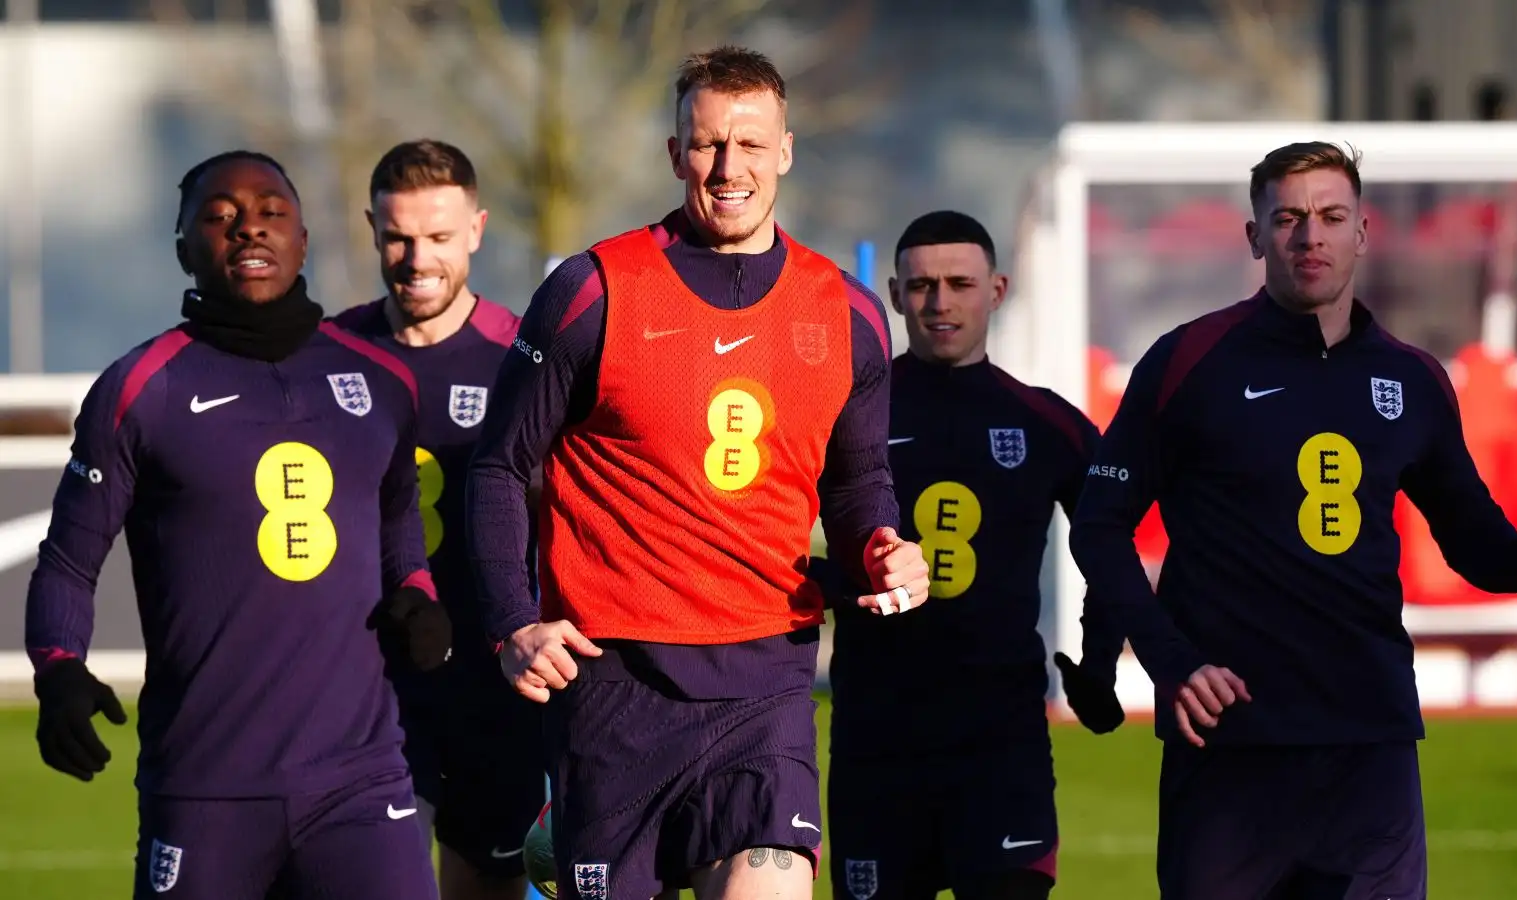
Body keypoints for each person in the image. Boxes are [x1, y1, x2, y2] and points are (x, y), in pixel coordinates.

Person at [465, 45, 932, 900]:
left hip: (767, 686)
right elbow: (499, 466)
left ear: (785, 150)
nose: (728, 167)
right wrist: (511, 623)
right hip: (612, 689)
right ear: (676, 152)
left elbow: (858, 482)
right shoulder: (592, 291)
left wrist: (882, 547)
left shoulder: (848, 313)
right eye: (709, 143)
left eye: (750, 144)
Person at [1070, 141, 1517, 900]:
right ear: (1255, 237)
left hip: (1370, 747)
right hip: (1231, 745)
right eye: (1289, 219)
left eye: (1333, 217)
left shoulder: (1412, 378)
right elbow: (1099, 526)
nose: (1312, 237)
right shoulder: (1187, 363)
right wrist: (1168, 662)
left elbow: (1470, 538)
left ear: (1363, 232)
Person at [23, 151, 451, 900]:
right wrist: (58, 667)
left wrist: (417, 591)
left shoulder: (382, 382)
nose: (249, 227)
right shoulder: (141, 388)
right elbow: (67, 561)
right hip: (205, 786)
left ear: (303, 240)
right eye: (220, 216)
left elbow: (397, 524)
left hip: (362, 781)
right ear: (183, 248)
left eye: (271, 212)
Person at [822, 210, 1125, 900]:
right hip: (877, 740)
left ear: (997, 290)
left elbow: (1110, 543)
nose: (940, 302)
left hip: (1000, 742)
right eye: (921, 286)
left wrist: (1101, 661)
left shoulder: (1043, 422)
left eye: (960, 283)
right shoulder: (846, 415)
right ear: (895, 295)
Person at [334, 139, 543, 900]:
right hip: (369, 687)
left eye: (439, 236)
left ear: (477, 230)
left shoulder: (524, 358)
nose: (417, 259)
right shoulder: (329, 356)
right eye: (398, 237)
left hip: (495, 689)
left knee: (484, 884)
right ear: (371, 227)